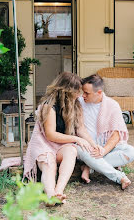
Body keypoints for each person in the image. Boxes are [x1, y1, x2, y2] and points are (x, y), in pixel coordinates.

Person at [23, 72, 91, 204]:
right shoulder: (49, 106)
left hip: (60, 146)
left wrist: (93, 144)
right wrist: (76, 139)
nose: (80, 95)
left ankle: (59, 191)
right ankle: (50, 195)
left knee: (71, 151)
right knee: (49, 163)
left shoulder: (76, 104)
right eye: (78, 91)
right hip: (44, 145)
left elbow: (81, 129)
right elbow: (50, 135)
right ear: (67, 90)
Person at [76, 74, 134, 189]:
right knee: (80, 149)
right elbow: (79, 129)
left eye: (87, 93)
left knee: (131, 152)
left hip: (105, 147)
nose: (83, 95)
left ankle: (89, 167)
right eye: (83, 92)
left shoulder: (112, 105)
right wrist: (93, 146)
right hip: (87, 146)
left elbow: (116, 134)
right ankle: (119, 177)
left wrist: (103, 151)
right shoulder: (79, 102)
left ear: (99, 93)